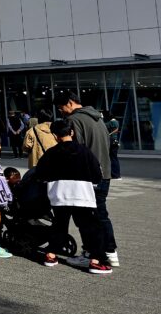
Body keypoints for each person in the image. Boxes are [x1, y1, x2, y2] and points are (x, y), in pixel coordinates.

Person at [53, 90, 119, 267]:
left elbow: (74, 150)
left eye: (61, 108)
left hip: (87, 177)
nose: (61, 112)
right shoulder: (98, 118)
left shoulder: (74, 120)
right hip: (104, 173)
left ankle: (92, 254)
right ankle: (110, 251)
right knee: (101, 215)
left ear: (69, 103)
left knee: (87, 219)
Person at [38, 118, 112, 274]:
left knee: (59, 225)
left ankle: (51, 255)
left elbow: (41, 173)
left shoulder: (51, 153)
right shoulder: (85, 151)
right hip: (82, 195)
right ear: (71, 132)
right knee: (90, 228)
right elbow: (97, 174)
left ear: (55, 135)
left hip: (59, 195)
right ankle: (96, 260)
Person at [104, 111, 121, 180]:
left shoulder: (111, 123)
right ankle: (116, 174)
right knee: (114, 158)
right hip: (115, 141)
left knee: (112, 158)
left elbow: (103, 125)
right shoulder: (116, 122)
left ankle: (115, 174)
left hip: (111, 141)